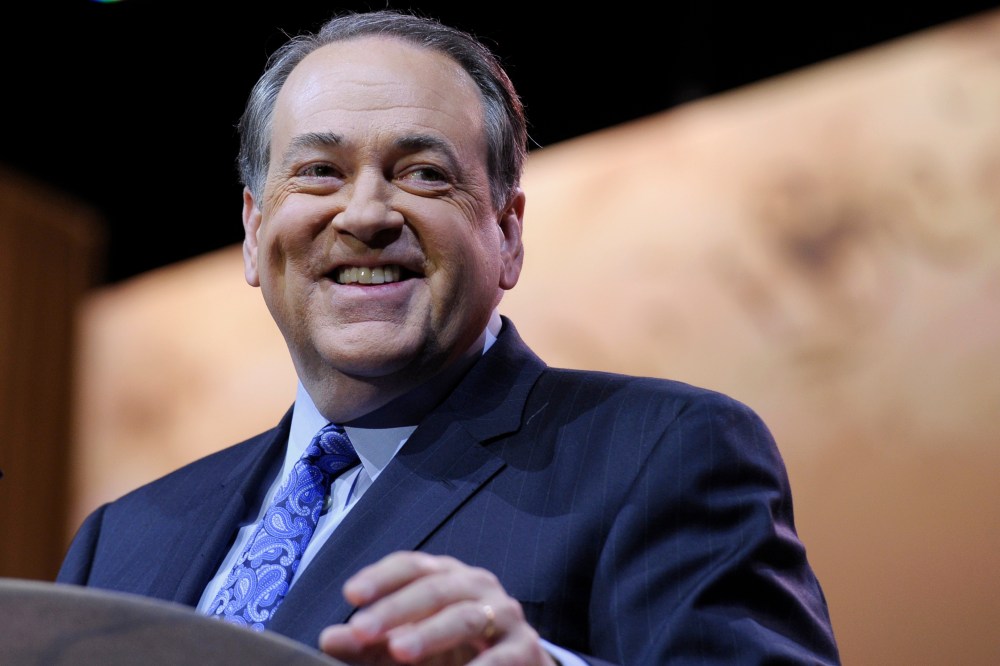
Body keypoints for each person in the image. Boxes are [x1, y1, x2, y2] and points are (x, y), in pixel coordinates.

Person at [56, 8, 841, 665]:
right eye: (319, 172)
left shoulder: (666, 453)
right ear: (255, 230)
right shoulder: (119, 540)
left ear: (507, 232)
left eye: (423, 173)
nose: (364, 214)